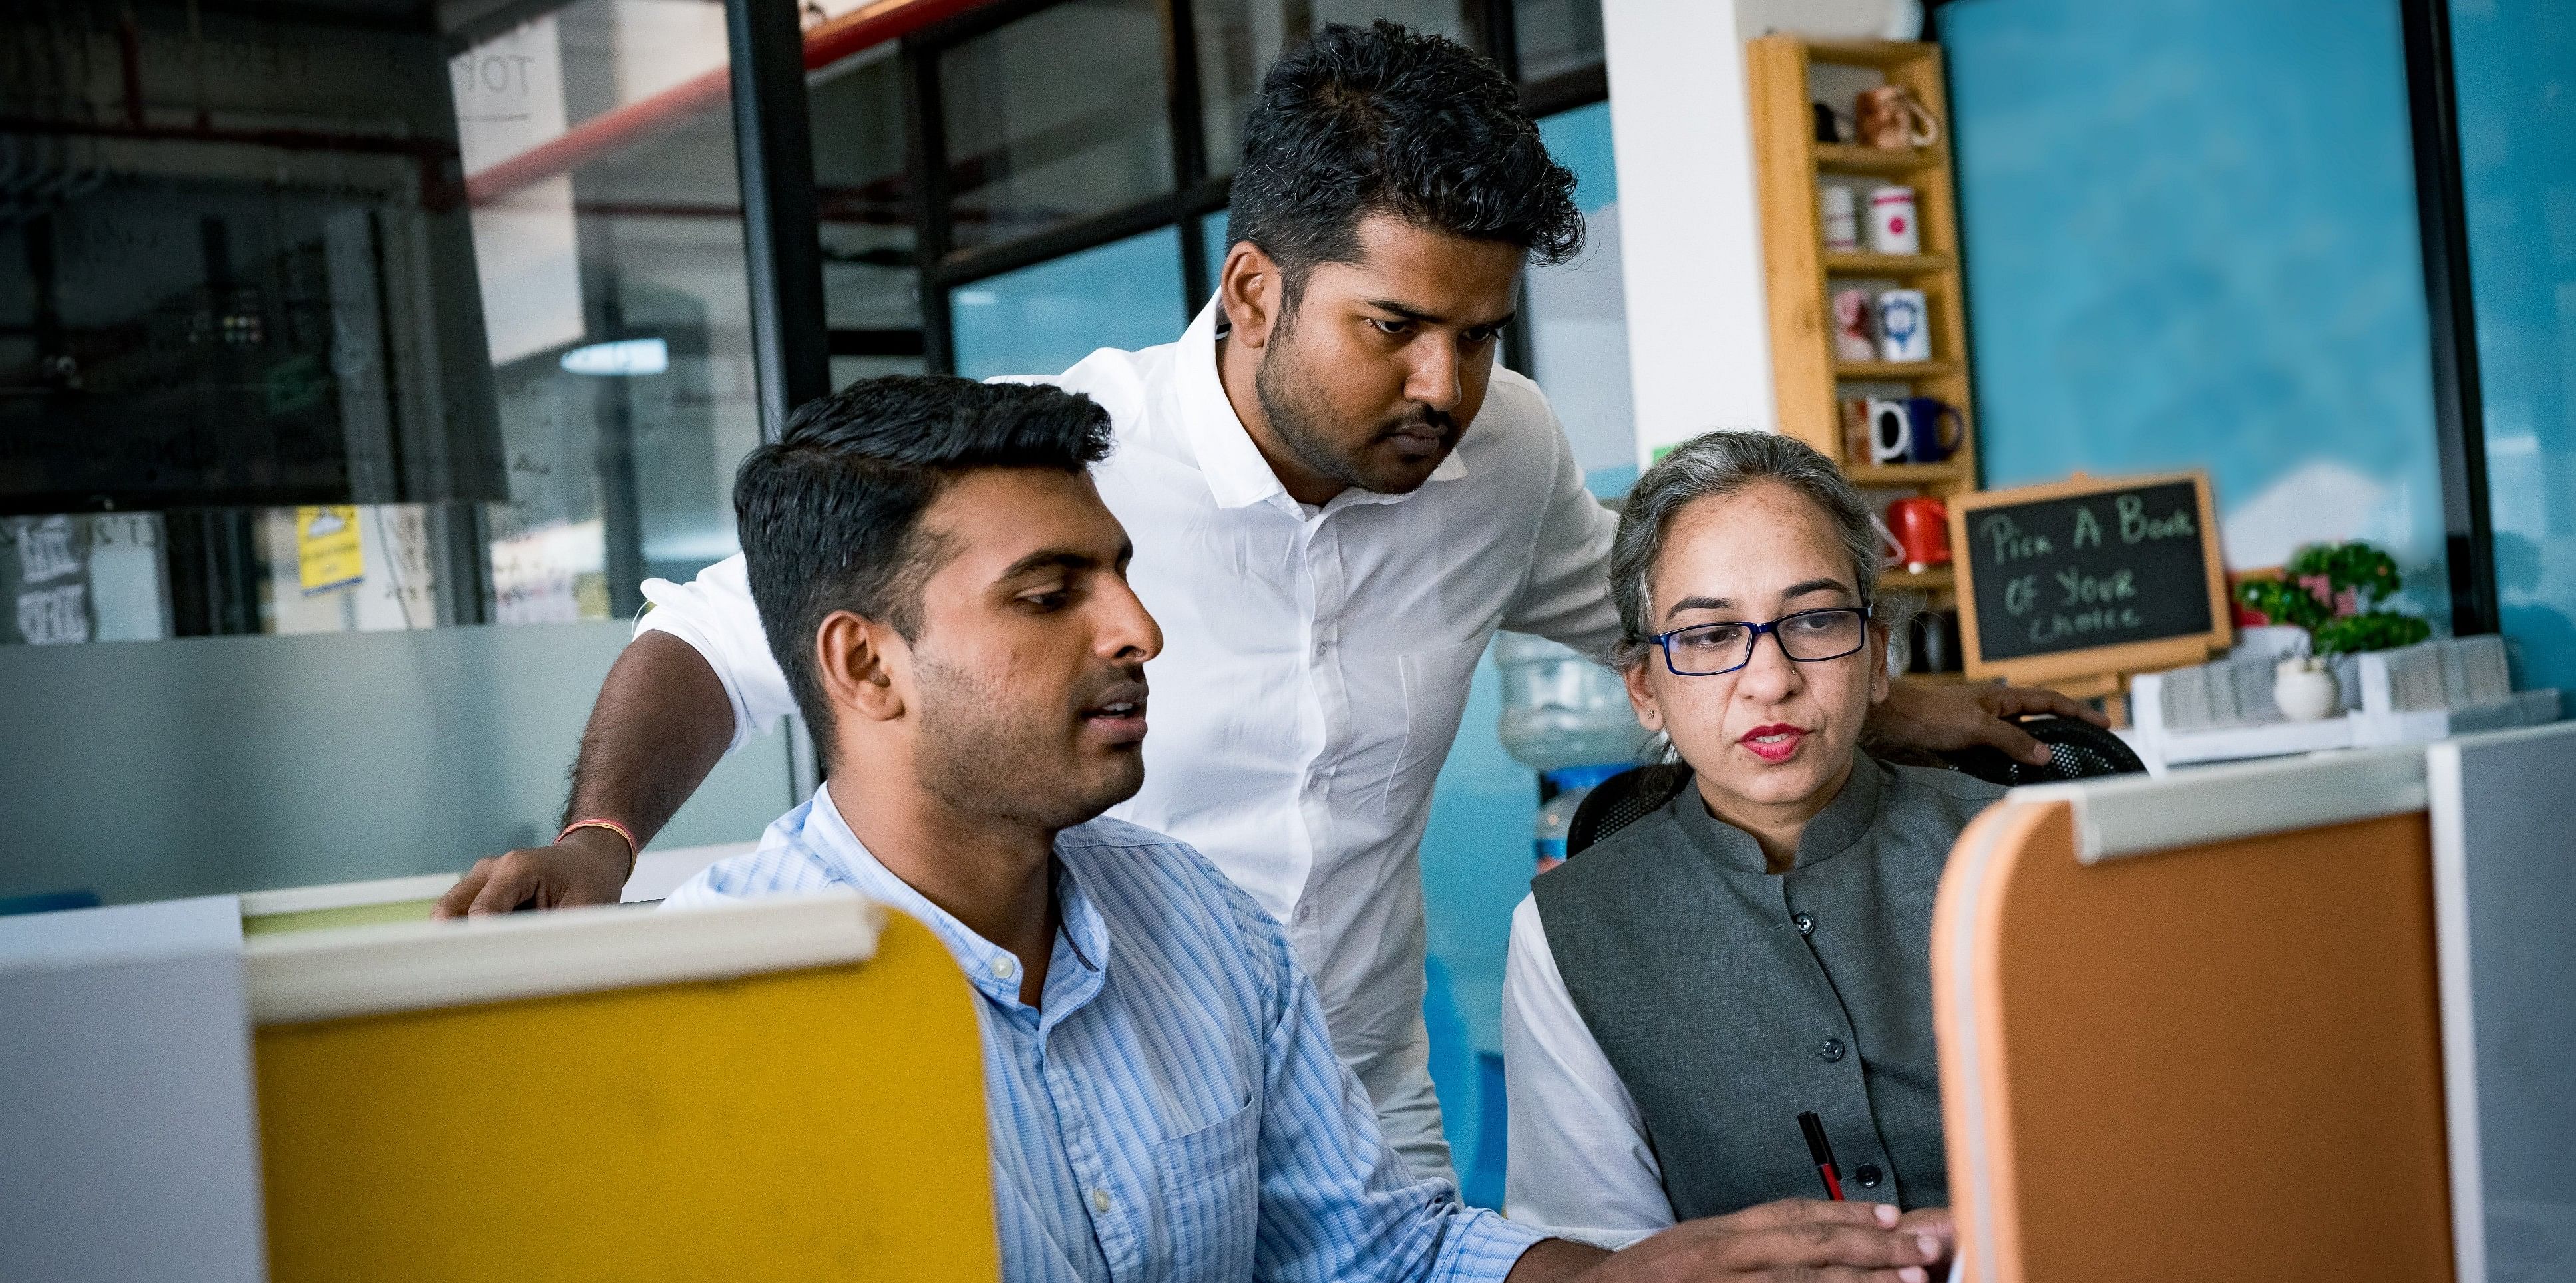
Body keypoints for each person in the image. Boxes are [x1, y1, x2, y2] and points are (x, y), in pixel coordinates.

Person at [445, 21, 2094, 1185]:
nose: (1447, 383)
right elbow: (712, 637)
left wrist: (1894, 691)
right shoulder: (1044, 481)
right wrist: (601, 839)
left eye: (1482, 331)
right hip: (1077, 1114)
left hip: (1363, 1110)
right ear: (1252, 289)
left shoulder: (1503, 449)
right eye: (1393, 328)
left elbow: (1649, 620)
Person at [661, 376, 1948, 1283]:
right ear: (864, 662)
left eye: (1121, 573)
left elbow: (1386, 1256)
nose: (1141, 628)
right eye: (1054, 594)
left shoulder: (1193, 921)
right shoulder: (723, 1005)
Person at [1500, 432, 2006, 1245]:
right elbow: (1603, 1270)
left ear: (1877, 657)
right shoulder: (1565, 935)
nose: (1770, 679)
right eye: (1707, 636)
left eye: (1812, 621)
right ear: (1644, 688)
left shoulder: (2020, 859)